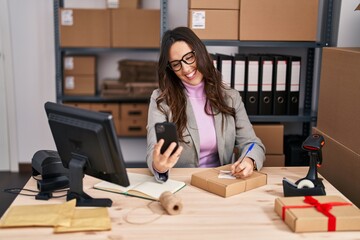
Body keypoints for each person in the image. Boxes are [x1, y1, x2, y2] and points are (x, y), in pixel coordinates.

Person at [146, 26, 265, 182]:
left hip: (220, 182)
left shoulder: (230, 97)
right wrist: (158, 166)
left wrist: (249, 160)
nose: (185, 68)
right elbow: (152, 149)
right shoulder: (161, 99)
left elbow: (252, 143)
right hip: (181, 184)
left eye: (189, 57)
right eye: (176, 64)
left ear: (200, 53)